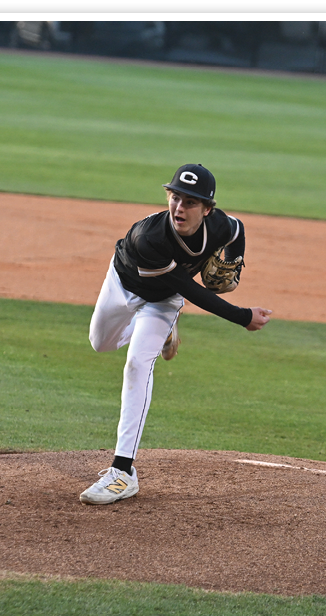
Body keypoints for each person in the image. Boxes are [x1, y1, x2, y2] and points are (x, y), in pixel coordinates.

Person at [82, 164, 272, 504]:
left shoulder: (220, 225)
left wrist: (235, 262)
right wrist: (242, 316)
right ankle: (166, 334)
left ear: (207, 209)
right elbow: (189, 287)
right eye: (175, 198)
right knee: (100, 344)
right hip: (123, 284)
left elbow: (237, 231)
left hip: (164, 301)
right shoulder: (149, 237)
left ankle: (122, 471)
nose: (179, 208)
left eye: (190, 202)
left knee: (137, 365)